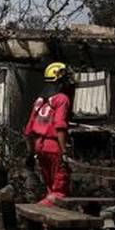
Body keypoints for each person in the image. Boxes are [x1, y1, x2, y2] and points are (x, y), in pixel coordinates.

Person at [23, 62, 74, 206]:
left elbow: (28, 130)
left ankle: (46, 225)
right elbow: (60, 126)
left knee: (50, 188)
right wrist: (64, 152)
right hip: (54, 147)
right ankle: (37, 215)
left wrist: (30, 153)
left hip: (39, 147)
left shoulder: (40, 100)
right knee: (59, 191)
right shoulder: (61, 99)